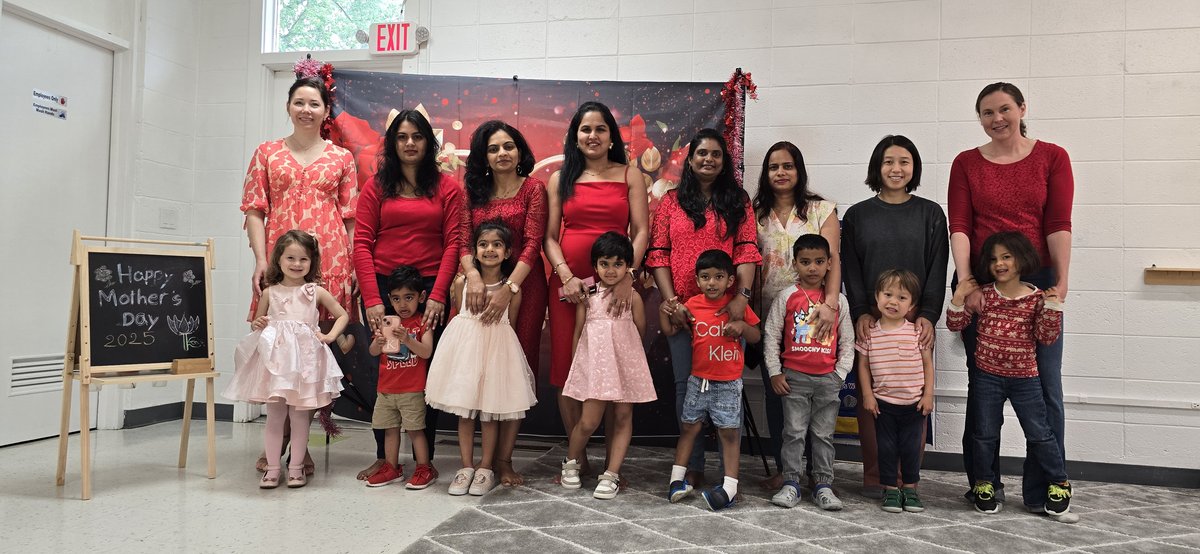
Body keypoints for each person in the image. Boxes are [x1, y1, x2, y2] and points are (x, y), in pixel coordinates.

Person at [948, 82, 1074, 512]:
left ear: (1022, 108)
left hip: (1035, 283)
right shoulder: (966, 163)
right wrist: (966, 283)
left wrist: (1061, 281)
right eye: (987, 112)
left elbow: (1058, 222)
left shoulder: (1052, 157)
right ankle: (985, 483)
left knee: (1046, 388)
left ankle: (1045, 489)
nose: (997, 119)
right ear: (979, 118)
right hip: (981, 281)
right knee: (982, 387)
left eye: (1004, 109)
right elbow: (960, 225)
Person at [241, 76, 358, 475]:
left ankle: (300, 446)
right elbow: (254, 210)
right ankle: (285, 448)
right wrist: (260, 259)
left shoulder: (342, 158)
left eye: (315, 104)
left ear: (327, 111)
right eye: (299, 102)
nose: (306, 109)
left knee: (313, 358)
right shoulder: (267, 153)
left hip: (329, 264)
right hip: (281, 264)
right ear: (288, 106)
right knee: (278, 350)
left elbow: (351, 218)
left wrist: (353, 263)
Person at [353, 109, 467, 480]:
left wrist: (436, 295)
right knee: (386, 369)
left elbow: (454, 244)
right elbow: (362, 244)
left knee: (424, 372)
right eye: (401, 137)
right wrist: (372, 299)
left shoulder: (448, 187)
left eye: (416, 136)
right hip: (385, 288)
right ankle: (385, 458)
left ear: (428, 142)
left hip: (429, 289)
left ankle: (424, 461)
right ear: (392, 142)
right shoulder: (376, 187)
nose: (409, 143)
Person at [649, 129, 761, 487]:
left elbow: (746, 249)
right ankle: (693, 466)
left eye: (716, 154)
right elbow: (658, 253)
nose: (708, 159)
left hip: (726, 313)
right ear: (690, 158)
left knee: (729, 387)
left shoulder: (738, 200)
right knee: (687, 386)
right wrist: (671, 303)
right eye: (701, 153)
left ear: (724, 161)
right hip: (684, 312)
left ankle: (730, 474)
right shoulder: (671, 202)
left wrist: (741, 299)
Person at [545, 101, 649, 476]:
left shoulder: (630, 175)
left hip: (615, 286)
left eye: (600, 129)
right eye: (585, 129)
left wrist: (626, 277)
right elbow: (550, 237)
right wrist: (565, 275)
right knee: (569, 367)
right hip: (569, 288)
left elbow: (641, 231)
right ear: (575, 136)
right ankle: (578, 453)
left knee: (613, 367)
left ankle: (612, 464)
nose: (592, 136)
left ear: (611, 136)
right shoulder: (561, 179)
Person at [841, 135, 947, 498]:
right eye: (888, 161)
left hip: (916, 322)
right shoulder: (857, 215)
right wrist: (858, 312)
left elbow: (937, 268)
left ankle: (909, 481)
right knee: (872, 400)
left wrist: (929, 315)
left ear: (914, 166)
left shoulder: (931, 213)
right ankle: (878, 478)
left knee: (913, 399)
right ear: (877, 167)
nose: (896, 168)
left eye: (904, 161)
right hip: (872, 321)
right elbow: (851, 270)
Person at [946, 232, 1072, 518]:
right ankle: (984, 484)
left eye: (1006, 257)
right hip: (987, 378)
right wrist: (958, 297)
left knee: (1040, 434)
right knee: (984, 435)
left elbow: (1046, 337)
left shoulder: (1038, 298)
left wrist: (1053, 308)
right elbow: (956, 324)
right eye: (993, 259)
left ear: (1021, 259)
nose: (999, 264)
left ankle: (1059, 482)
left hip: (1025, 380)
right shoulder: (985, 295)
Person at [459, 120, 548, 487]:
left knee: (512, 372)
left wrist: (509, 288)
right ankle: (477, 461)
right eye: (493, 149)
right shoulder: (473, 192)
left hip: (523, 288)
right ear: (484, 156)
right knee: (476, 371)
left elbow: (532, 241)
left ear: (520, 150)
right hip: (477, 290)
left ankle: (504, 460)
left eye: (508, 146)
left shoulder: (534, 189)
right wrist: (475, 277)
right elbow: (464, 240)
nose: (502, 154)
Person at [223, 230, 348, 489]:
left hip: (304, 363)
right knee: (275, 416)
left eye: (303, 259)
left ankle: (296, 468)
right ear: (278, 259)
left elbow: (342, 315)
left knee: (301, 417)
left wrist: (330, 336)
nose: (296, 264)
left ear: (312, 262)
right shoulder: (270, 293)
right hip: (276, 364)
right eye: (290, 257)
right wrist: (258, 323)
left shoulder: (316, 292)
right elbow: (258, 328)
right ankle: (271, 468)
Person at [750, 140, 840, 490]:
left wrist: (831, 304)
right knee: (779, 391)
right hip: (770, 314)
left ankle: (819, 473)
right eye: (774, 167)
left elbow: (834, 259)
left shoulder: (821, 210)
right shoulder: (754, 214)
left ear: (799, 170)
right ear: (766, 173)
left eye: (788, 166)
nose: (781, 172)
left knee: (815, 398)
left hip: (814, 316)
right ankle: (785, 470)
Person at [425, 221, 537, 496]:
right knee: (465, 413)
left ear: (508, 252)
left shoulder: (513, 290)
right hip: (466, 353)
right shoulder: (462, 283)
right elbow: (459, 313)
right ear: (474, 250)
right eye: (483, 244)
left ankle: (486, 467)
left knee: (489, 414)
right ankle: (466, 467)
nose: (490, 249)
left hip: (497, 353)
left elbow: (511, 323)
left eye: (497, 245)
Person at [560, 232, 656, 500]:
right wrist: (578, 368)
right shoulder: (588, 292)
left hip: (625, 363)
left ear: (628, 267)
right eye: (605, 263)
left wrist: (631, 360)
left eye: (618, 264)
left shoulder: (633, 297)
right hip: (597, 366)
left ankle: (611, 473)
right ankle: (571, 460)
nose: (611, 270)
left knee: (624, 417)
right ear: (594, 265)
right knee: (589, 420)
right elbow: (579, 332)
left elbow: (639, 330)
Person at [761, 234, 853, 511]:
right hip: (794, 378)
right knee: (794, 432)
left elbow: (848, 342)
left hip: (828, 379)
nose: (812, 268)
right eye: (805, 262)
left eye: (818, 262)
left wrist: (840, 374)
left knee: (823, 435)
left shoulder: (838, 302)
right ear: (794, 264)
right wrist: (775, 372)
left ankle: (823, 485)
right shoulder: (786, 297)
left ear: (828, 265)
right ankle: (791, 483)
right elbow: (771, 335)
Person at [665, 250, 760, 511]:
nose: (712, 283)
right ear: (697, 280)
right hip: (698, 381)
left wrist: (742, 327)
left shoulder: (736, 306)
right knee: (689, 428)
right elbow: (670, 328)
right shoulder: (693, 304)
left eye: (719, 277)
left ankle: (730, 486)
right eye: (705, 277)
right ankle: (677, 480)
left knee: (729, 433)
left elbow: (755, 336)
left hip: (728, 383)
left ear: (730, 281)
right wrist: (667, 309)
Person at [856, 269, 935, 513]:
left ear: (912, 305)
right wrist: (868, 395)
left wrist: (928, 394)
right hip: (883, 404)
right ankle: (890, 489)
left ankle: (910, 488)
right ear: (877, 297)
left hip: (914, 404)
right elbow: (863, 366)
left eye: (902, 298)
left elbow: (927, 364)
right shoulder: (869, 332)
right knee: (886, 448)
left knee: (911, 449)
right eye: (888, 294)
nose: (893, 302)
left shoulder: (917, 331)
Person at [363, 266, 437, 490]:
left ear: (421, 297)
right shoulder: (387, 322)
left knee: (415, 430)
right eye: (396, 299)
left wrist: (408, 339)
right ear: (389, 299)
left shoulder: (423, 322)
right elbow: (374, 353)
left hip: (412, 390)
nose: (402, 305)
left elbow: (426, 352)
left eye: (409, 297)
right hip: (386, 390)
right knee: (389, 429)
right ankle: (391, 467)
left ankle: (424, 467)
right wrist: (378, 342)